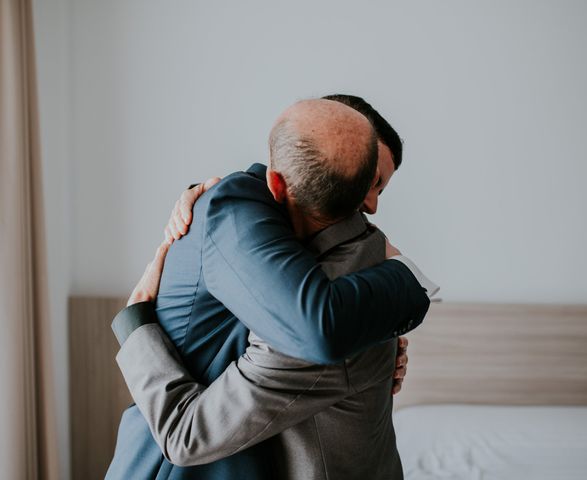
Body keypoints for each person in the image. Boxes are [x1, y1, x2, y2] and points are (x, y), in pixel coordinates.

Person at [107, 98, 436, 479]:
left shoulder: (336, 287)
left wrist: (386, 330)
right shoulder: (233, 214)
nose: (372, 204)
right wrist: (403, 280)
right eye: (371, 180)